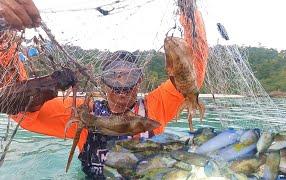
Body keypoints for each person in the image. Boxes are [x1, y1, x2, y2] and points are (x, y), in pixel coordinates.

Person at [0, 0, 208, 179]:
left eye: (129, 75)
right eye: (114, 75)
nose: (122, 86)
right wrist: (3, 33)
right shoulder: (84, 113)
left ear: (140, 80)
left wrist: (187, 10)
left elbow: (191, 72)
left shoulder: (156, 106)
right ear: (103, 81)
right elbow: (20, 109)